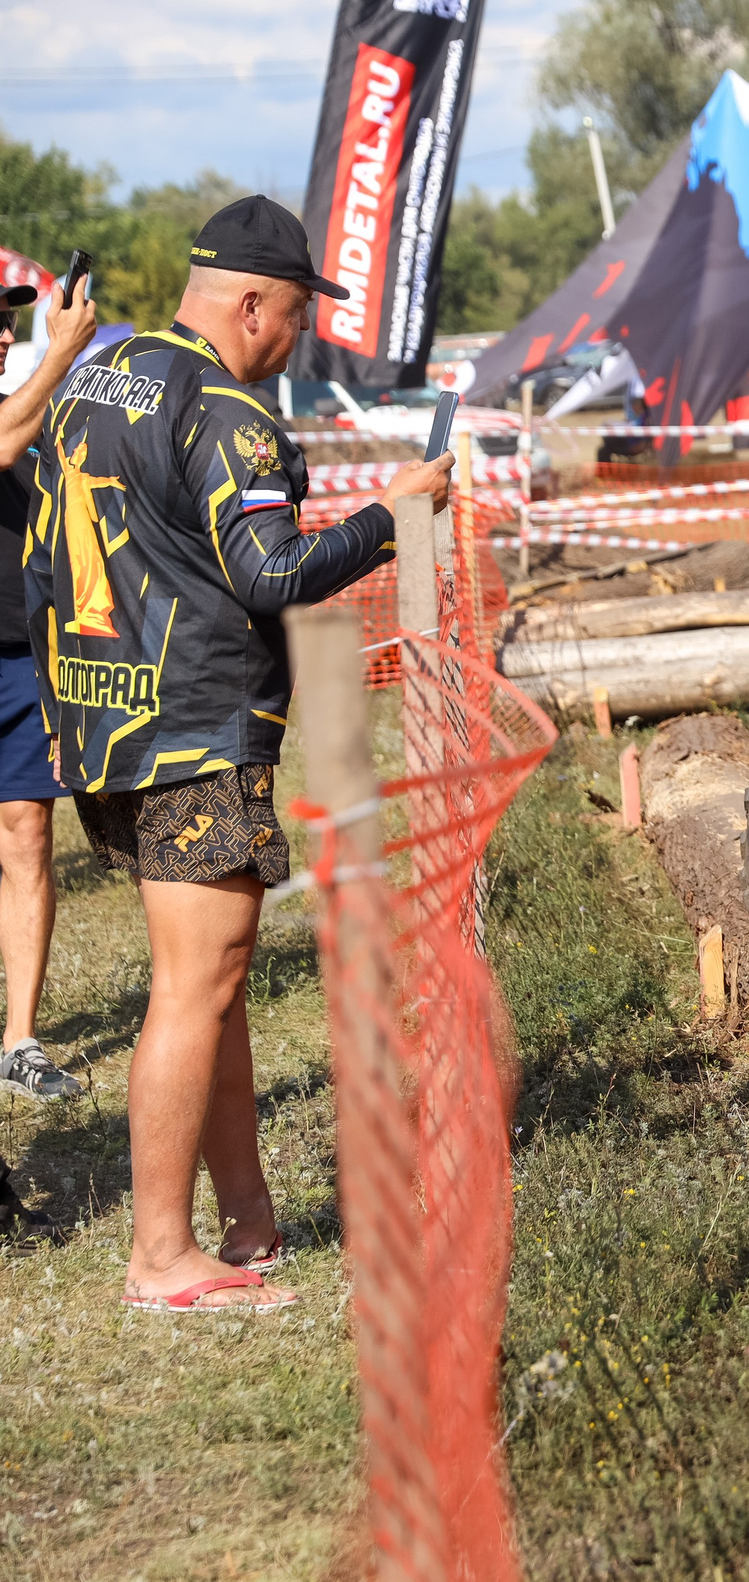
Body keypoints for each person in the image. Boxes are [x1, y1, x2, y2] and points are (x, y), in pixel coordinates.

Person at [27, 196, 451, 1313]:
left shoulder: (92, 379)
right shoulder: (228, 409)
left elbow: (34, 558)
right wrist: (389, 516)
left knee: (212, 987)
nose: (300, 337)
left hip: (105, 720)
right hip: (193, 726)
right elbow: (272, 575)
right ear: (251, 301)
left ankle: (247, 1218)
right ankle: (160, 1257)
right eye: (298, 315)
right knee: (193, 987)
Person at [0, 268, 98, 1101]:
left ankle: (19, 1040)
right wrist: (61, 352)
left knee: (27, 836)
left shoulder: (27, 419)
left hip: (20, 660)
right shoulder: (15, 417)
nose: (6, 334)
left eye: (10, 319)